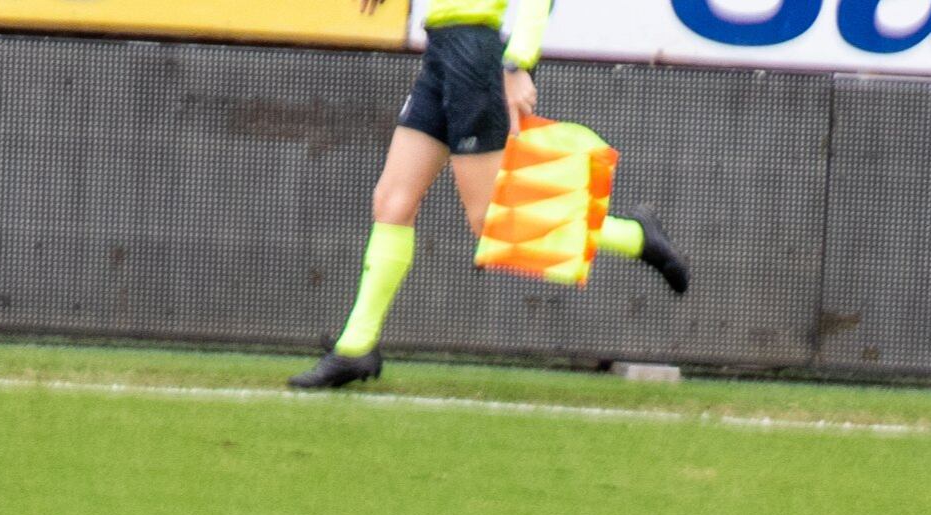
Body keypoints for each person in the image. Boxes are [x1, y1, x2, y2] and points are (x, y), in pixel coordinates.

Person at [287, 0, 687, 392]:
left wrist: (518, 64)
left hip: (474, 56)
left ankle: (636, 237)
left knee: (490, 220)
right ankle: (355, 346)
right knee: (392, 201)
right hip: (441, 48)